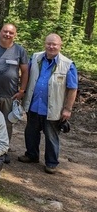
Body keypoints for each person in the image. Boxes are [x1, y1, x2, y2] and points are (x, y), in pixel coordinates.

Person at [19, 33, 78, 174]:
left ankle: (51, 163)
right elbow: (26, 74)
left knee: (52, 136)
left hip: (53, 108)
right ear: (44, 44)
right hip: (33, 105)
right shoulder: (36, 57)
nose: (51, 47)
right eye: (49, 44)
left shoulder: (67, 64)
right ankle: (31, 155)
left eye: (55, 44)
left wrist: (68, 109)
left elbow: (72, 88)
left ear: (60, 45)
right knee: (31, 132)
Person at [0, 23, 28, 162]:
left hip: (10, 95)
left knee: (7, 124)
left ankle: (3, 150)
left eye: (11, 33)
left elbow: (25, 71)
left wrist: (22, 90)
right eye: (5, 31)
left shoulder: (20, 51)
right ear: (0, 31)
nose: (7, 34)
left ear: (14, 34)